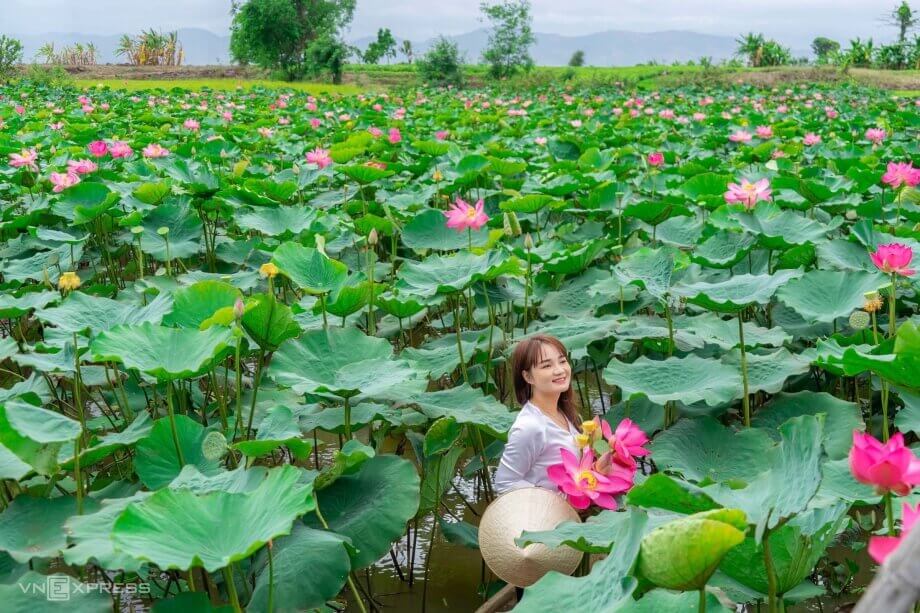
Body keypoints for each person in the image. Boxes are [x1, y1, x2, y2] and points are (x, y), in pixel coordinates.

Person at [495, 333, 609, 494]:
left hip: (574, 512)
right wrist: (555, 500)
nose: (560, 370)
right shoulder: (530, 427)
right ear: (528, 377)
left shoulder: (563, 412)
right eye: (547, 366)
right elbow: (504, 483)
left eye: (562, 361)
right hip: (548, 515)